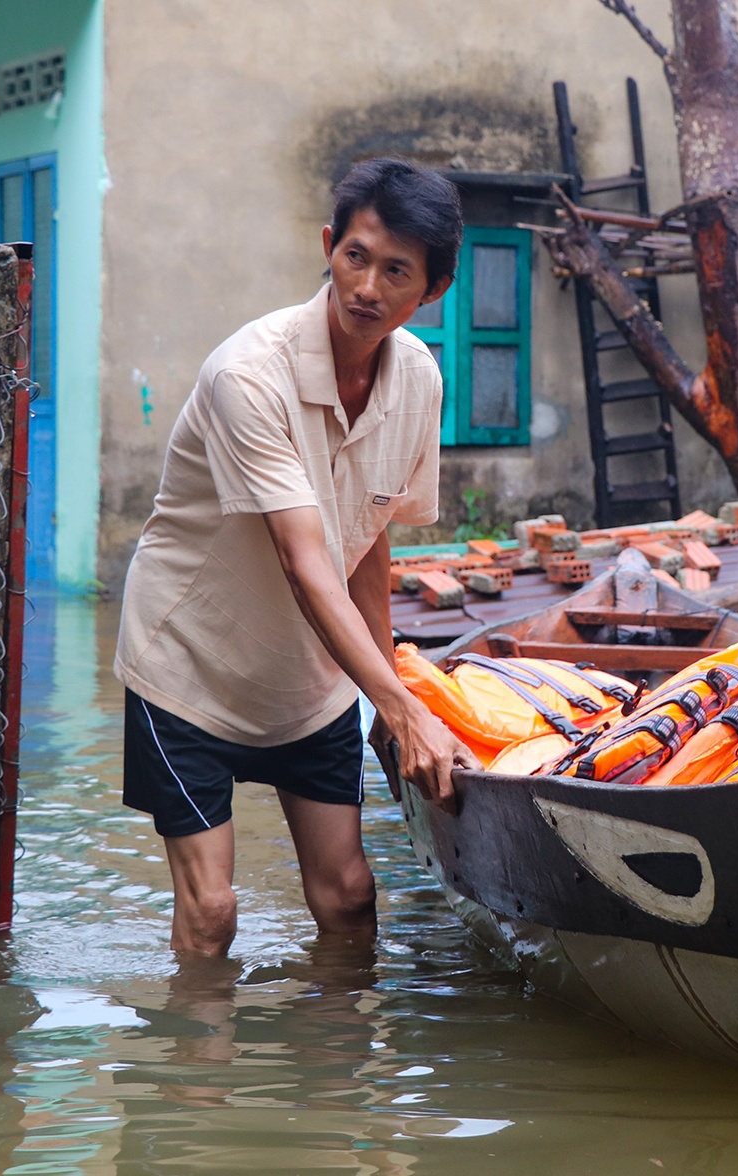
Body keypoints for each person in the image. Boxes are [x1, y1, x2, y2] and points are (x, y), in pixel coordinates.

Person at [115, 158, 479, 958]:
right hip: (190, 670)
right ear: (328, 245)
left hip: (307, 683)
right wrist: (398, 708)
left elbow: (368, 543)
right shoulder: (250, 375)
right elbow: (304, 559)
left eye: (396, 272)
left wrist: (391, 690)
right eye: (356, 256)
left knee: (349, 898)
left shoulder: (417, 378)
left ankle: (335, 1083)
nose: (368, 288)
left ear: (434, 291)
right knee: (212, 914)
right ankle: (195, 1076)